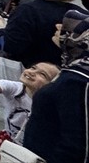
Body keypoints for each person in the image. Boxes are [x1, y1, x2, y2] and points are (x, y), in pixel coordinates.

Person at [25, 8, 89, 163]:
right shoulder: (74, 70)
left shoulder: (75, 80)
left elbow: (74, 141)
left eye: (65, 26)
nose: (58, 27)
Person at [1, 0, 83, 67]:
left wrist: (0, 31)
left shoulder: (27, 11)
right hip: (66, 72)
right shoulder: (81, 15)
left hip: (28, 71)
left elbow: (12, 46)